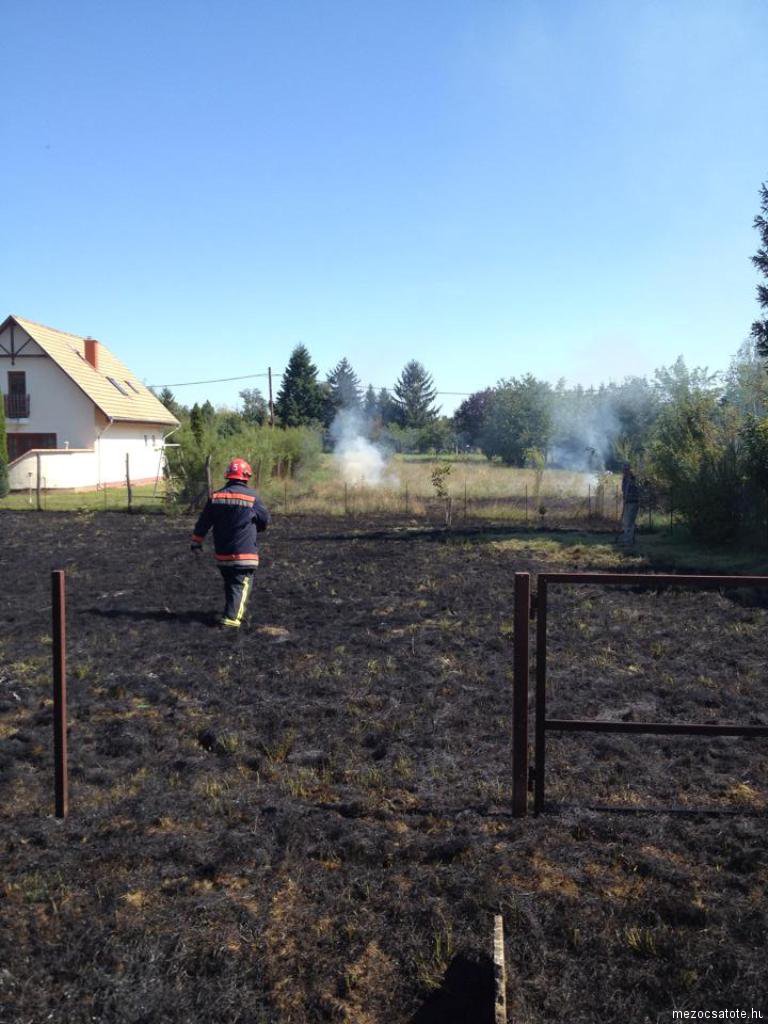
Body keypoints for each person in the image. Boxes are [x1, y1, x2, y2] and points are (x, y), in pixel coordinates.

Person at [190, 458, 270, 628]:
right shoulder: (252, 497)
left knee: (231, 584)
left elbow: (203, 522)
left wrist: (197, 542)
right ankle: (232, 619)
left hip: (223, 554)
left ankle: (229, 612)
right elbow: (264, 521)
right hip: (245, 554)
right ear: (246, 476)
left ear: (228, 475)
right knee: (241, 583)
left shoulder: (215, 497)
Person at [619, 465, 640, 545]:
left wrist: (630, 482)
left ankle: (628, 541)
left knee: (629, 522)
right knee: (626, 522)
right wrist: (625, 498)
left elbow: (636, 490)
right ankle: (629, 539)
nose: (624, 472)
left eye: (626, 470)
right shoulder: (625, 479)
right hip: (627, 502)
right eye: (623, 470)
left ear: (628, 470)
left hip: (633, 502)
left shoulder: (632, 479)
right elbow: (624, 491)